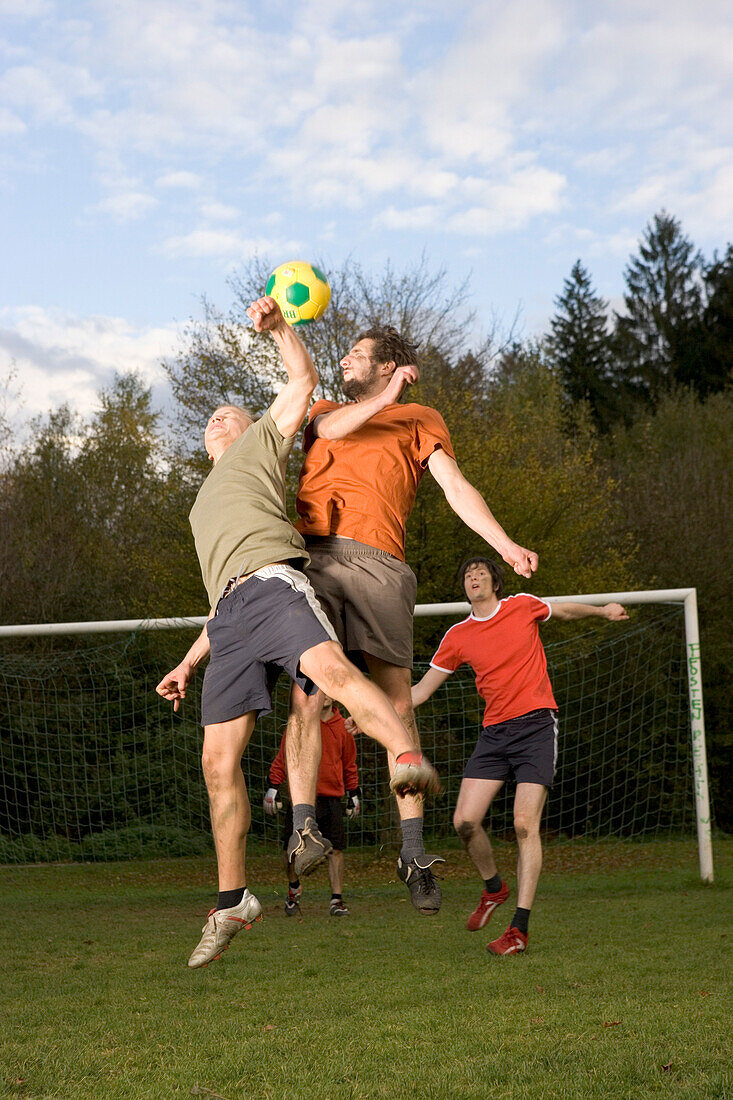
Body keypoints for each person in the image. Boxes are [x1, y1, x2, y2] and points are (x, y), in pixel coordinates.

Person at [155, 297, 440, 969]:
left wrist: (282, 329)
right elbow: (221, 600)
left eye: (229, 411)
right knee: (215, 764)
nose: (218, 417)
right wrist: (189, 661)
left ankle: (405, 753)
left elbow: (303, 383)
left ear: (255, 426)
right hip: (228, 615)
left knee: (334, 680)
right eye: (210, 418)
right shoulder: (202, 499)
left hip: (276, 584)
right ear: (202, 444)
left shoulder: (261, 443)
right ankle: (231, 902)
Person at [285, 326, 538, 915]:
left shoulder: (420, 416)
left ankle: (413, 851)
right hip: (315, 556)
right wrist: (387, 391)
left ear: (391, 363)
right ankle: (302, 829)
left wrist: (501, 544)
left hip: (380, 565)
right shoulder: (324, 410)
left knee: (398, 707)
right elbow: (333, 428)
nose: (344, 358)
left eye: (358, 353)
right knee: (308, 699)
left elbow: (454, 486)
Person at [411, 556, 628, 955]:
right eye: (467, 575)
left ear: (495, 580)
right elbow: (422, 691)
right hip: (494, 735)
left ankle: (519, 929)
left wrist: (602, 610)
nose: (473, 578)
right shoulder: (457, 636)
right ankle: (494, 888)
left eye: (480, 572)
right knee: (464, 821)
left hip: (536, 728)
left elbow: (563, 611)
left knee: (525, 824)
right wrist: (374, 713)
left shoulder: (521, 605)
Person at [264, 695, 360, 917]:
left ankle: (336, 901)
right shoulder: (299, 724)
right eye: (318, 689)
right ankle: (293, 889)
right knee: (292, 850)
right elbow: (284, 757)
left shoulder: (344, 728)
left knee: (335, 850)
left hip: (331, 799)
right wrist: (273, 786)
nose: (323, 695)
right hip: (301, 799)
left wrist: (353, 793)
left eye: (327, 689)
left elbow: (349, 765)